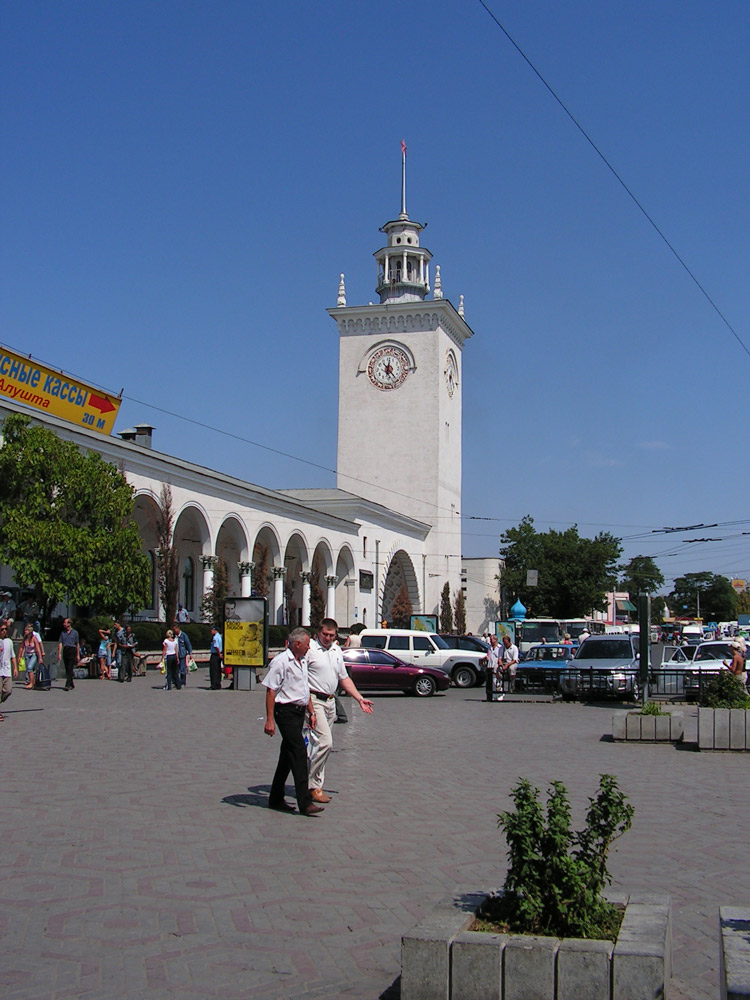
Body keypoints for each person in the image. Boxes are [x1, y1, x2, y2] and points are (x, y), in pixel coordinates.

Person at [306, 617, 374, 803]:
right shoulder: (310, 649)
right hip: (314, 700)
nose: (327, 638)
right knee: (325, 743)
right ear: (318, 633)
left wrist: (359, 698)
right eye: (324, 634)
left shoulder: (336, 650)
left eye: (331, 635)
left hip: (330, 702)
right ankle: (310, 784)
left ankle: (316, 785)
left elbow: (343, 678)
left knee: (319, 746)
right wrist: (308, 707)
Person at [263, 627, 323, 816]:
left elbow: (304, 690)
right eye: (307, 645)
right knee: (299, 753)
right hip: (285, 712)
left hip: (299, 712)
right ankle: (305, 802)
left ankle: (275, 798)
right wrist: (270, 719)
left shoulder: (302, 661)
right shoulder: (281, 662)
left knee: (287, 757)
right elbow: (271, 690)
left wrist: (311, 713)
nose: (308, 649)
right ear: (297, 644)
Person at [18, 622, 44, 690]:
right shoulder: (25, 638)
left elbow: (38, 648)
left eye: (26, 630)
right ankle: (32, 682)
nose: (25, 631)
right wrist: (19, 656)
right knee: (29, 669)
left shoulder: (34, 638)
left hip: (34, 655)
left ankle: (31, 683)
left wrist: (40, 657)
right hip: (27, 654)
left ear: (29, 631)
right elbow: (21, 647)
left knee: (29, 667)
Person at [57, 618, 80, 692]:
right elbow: (60, 643)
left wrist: (78, 654)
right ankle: (71, 684)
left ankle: (67, 685)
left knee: (70, 667)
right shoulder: (62, 633)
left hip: (72, 650)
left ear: (69, 624)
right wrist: (59, 653)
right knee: (67, 669)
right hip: (66, 650)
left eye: (65, 622)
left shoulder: (75, 633)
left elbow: (77, 644)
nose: (64, 624)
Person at [0, 622, 17, 721]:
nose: (4, 631)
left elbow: (12, 656)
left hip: (6, 670)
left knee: (8, 690)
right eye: (2, 629)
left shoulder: (9, 641)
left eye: (5, 629)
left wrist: (15, 668)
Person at [174, 622, 193, 687]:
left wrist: (190, 653)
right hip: (175, 655)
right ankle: (176, 681)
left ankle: (182, 681)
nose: (174, 631)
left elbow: (188, 644)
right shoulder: (174, 636)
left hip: (182, 654)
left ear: (178, 629)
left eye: (175, 630)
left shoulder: (183, 635)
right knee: (176, 669)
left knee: (182, 669)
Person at [486, 634, 501, 698]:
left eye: (491, 640)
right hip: (490, 666)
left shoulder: (500, 648)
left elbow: (500, 657)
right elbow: (489, 656)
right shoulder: (490, 648)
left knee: (497, 681)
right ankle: (494, 696)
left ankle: (500, 695)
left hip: (496, 666)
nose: (490, 641)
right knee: (492, 682)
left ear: (495, 640)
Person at [209, 626, 223, 690]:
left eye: (211, 630)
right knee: (218, 670)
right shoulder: (219, 636)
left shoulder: (215, 637)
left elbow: (216, 647)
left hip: (215, 654)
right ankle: (218, 684)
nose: (210, 631)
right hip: (219, 654)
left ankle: (214, 685)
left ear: (214, 630)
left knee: (213, 670)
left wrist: (219, 653)